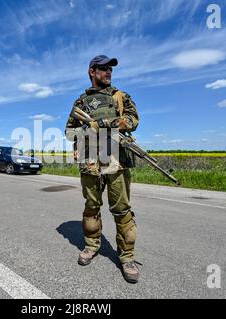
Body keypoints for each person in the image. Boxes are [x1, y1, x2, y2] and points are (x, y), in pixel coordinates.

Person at [65, 55, 141, 283]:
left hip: (117, 162)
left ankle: (127, 258)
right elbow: (69, 132)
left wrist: (107, 123)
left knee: (122, 209)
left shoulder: (120, 97)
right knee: (91, 207)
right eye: (103, 68)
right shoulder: (81, 102)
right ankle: (91, 246)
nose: (109, 72)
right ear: (91, 72)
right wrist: (88, 130)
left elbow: (134, 120)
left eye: (110, 69)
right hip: (90, 162)